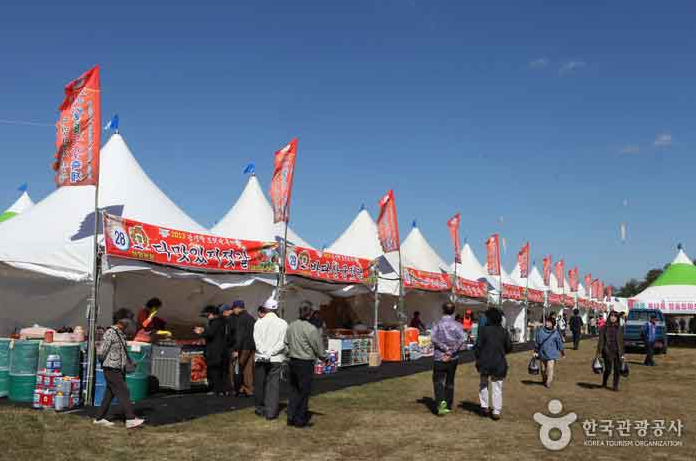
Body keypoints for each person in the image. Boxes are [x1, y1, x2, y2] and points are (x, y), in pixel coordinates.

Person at [94, 319, 145, 429]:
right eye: (127, 327)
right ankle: (130, 419)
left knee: (109, 394)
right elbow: (102, 351)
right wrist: (105, 363)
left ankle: (99, 418)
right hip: (111, 368)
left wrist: (130, 362)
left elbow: (123, 351)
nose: (128, 330)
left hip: (119, 368)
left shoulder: (121, 335)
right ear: (122, 325)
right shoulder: (110, 333)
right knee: (124, 391)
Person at [285, 302, 326, 428]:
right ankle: (300, 419)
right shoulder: (311, 329)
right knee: (304, 392)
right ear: (311, 313)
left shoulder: (291, 325)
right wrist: (324, 357)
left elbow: (285, 343)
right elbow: (318, 347)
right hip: (305, 363)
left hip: (292, 361)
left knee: (294, 390)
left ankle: (291, 416)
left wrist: (289, 354)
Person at [475, 307, 512, 420]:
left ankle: (485, 406)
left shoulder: (483, 330)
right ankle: (496, 411)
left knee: (483, 384)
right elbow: (509, 347)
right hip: (499, 362)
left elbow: (478, 346)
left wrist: (478, 358)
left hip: (485, 361)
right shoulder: (504, 331)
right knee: (497, 387)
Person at [253, 297, 288, 420]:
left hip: (261, 357)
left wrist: (264, 352)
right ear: (276, 309)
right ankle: (271, 412)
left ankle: (260, 408)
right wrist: (271, 352)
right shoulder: (283, 323)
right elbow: (283, 342)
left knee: (259, 383)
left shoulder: (259, 322)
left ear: (265, 308)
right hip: (275, 358)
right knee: (273, 385)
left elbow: (257, 341)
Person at [430, 302, 466, 416]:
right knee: (450, 381)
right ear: (453, 311)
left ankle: (441, 403)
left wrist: (445, 349)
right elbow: (462, 339)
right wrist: (451, 351)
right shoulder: (458, 325)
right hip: (453, 357)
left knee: (438, 381)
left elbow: (433, 338)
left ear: (443, 310)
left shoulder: (437, 323)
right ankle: (448, 404)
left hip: (440, 357)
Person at [194, 305, 230, 396]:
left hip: (214, 351)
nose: (207, 317)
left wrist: (201, 332)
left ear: (212, 314)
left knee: (213, 370)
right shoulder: (223, 321)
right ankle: (224, 389)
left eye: (207, 315)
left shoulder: (215, 322)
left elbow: (210, 333)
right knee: (222, 371)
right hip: (222, 350)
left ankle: (215, 389)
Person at [231, 300, 256, 397]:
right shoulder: (251, 318)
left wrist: (236, 349)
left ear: (238, 308)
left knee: (236, 367)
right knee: (248, 369)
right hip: (252, 347)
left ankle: (238, 388)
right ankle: (249, 389)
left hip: (243, 347)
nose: (233, 310)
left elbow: (240, 336)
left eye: (234, 308)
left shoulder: (240, 319)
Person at [596, 310, 625, 391]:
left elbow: (621, 342)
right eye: (612, 316)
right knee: (608, 369)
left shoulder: (620, 328)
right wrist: (599, 352)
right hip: (607, 351)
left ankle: (615, 386)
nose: (613, 318)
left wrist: (623, 354)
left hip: (618, 351)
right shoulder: (603, 328)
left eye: (615, 316)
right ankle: (604, 383)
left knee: (617, 370)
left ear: (617, 318)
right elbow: (601, 341)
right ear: (609, 317)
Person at [534, 316, 565, 388]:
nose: (547, 323)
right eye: (547, 322)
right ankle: (544, 379)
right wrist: (535, 351)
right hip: (542, 354)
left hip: (552, 355)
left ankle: (548, 382)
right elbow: (537, 342)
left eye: (549, 322)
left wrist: (562, 352)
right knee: (543, 370)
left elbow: (559, 343)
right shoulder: (540, 331)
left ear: (553, 324)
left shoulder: (556, 333)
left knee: (550, 369)